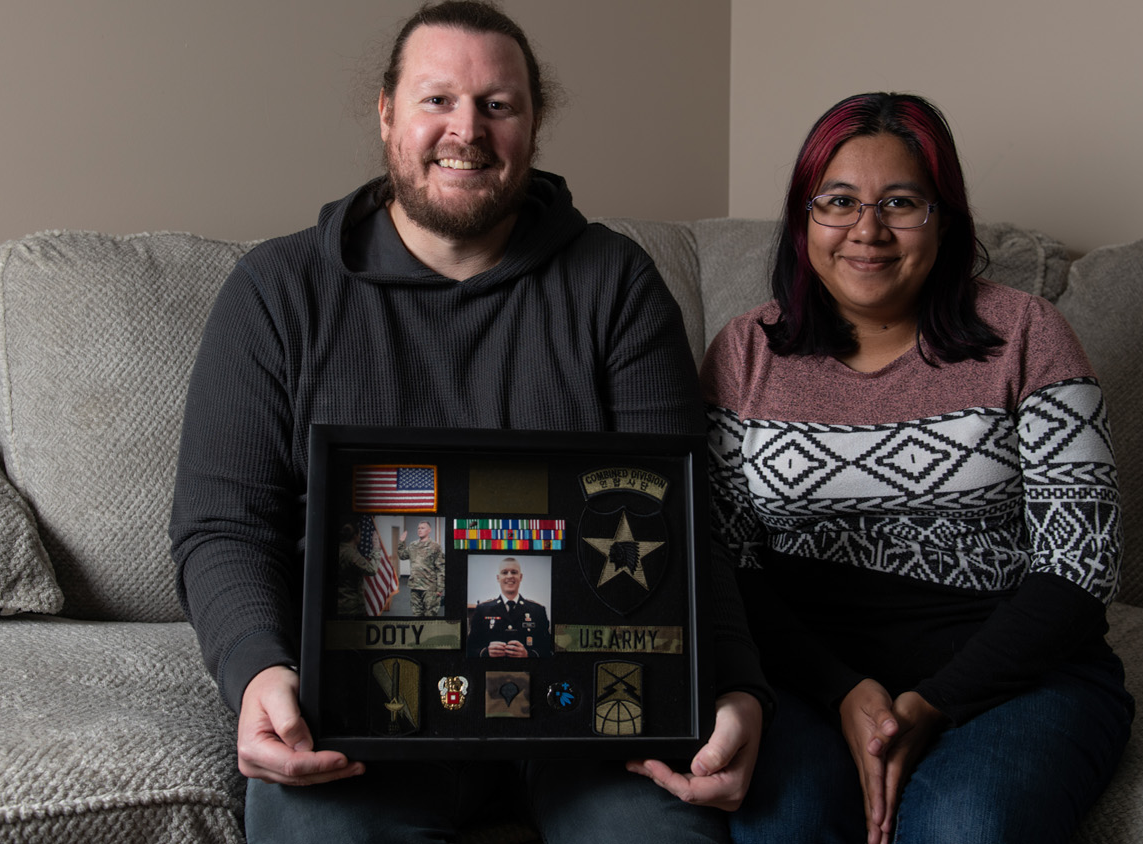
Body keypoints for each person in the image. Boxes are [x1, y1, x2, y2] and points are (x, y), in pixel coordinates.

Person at [169, 3, 768, 841]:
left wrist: (737, 688)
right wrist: (257, 670)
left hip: (592, 720)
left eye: (499, 105)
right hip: (362, 717)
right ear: (386, 114)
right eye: (436, 100)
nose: (467, 131)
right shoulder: (276, 291)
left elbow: (684, 523)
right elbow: (220, 525)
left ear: (533, 123)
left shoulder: (616, 286)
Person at [705, 92, 1133, 844]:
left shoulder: (1027, 334)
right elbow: (726, 563)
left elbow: (1082, 564)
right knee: (784, 827)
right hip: (807, 675)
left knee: (970, 826)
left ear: (945, 217)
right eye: (838, 201)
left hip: (1015, 676)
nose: (867, 230)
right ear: (805, 219)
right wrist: (842, 692)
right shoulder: (745, 354)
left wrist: (931, 703)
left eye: (901, 202)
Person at [466, 558, 553, 657]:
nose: (510, 576)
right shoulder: (483, 610)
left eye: (514, 572)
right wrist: (486, 652)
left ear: (520, 577)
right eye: (505, 572)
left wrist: (528, 655)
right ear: (498, 578)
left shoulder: (537, 611)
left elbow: (548, 650)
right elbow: (470, 649)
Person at [400, 519, 446, 616]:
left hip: (429, 587)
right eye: (418, 528)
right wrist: (401, 542)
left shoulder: (435, 546)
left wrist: (440, 588)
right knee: (416, 615)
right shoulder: (413, 545)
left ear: (429, 530)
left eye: (422, 528)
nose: (419, 530)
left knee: (430, 615)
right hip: (415, 586)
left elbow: (441, 568)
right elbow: (402, 556)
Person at [335, 523, 379, 617]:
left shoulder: (339, 549)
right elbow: (371, 570)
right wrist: (376, 549)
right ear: (355, 536)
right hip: (351, 606)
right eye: (359, 534)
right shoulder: (351, 554)